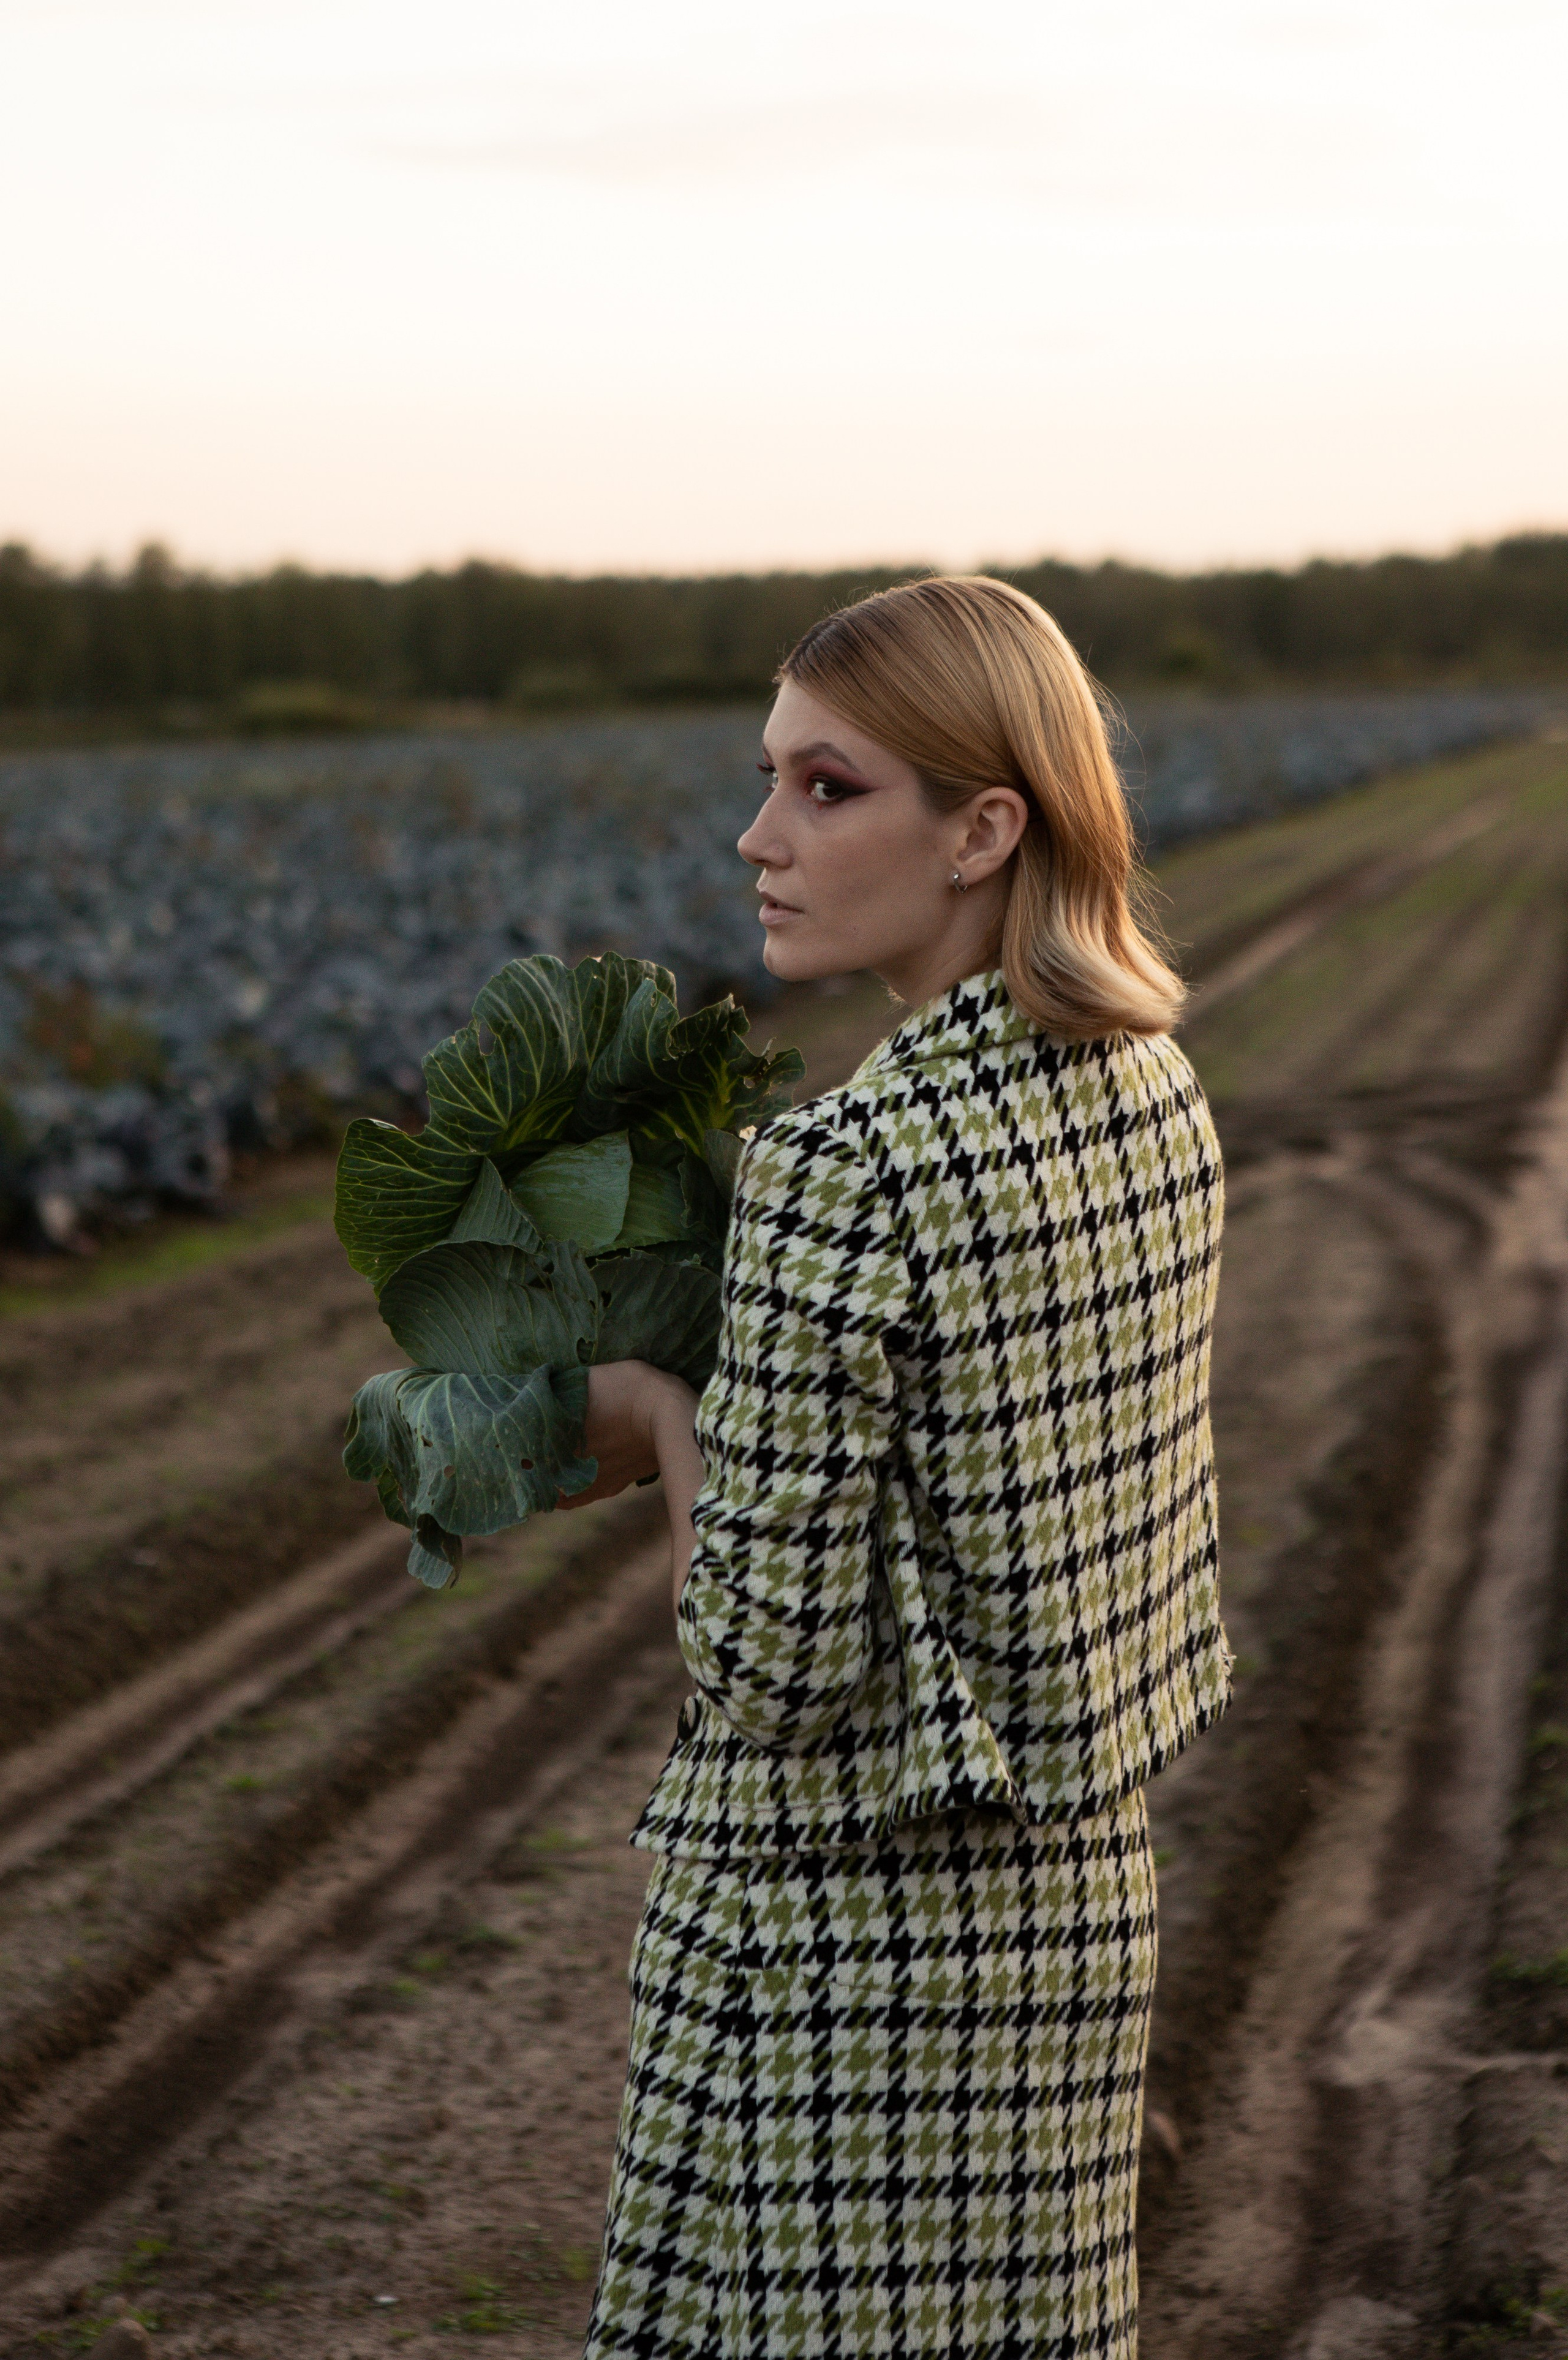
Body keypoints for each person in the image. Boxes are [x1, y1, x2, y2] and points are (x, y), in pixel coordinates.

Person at [566, 576, 1231, 2359]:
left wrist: (664, 1416)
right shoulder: (1153, 1090)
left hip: (838, 1975)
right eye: (771, 780)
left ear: (982, 828)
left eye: (826, 787)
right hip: (1070, 1936)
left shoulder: (841, 1170)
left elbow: (770, 1670)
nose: (757, 835)